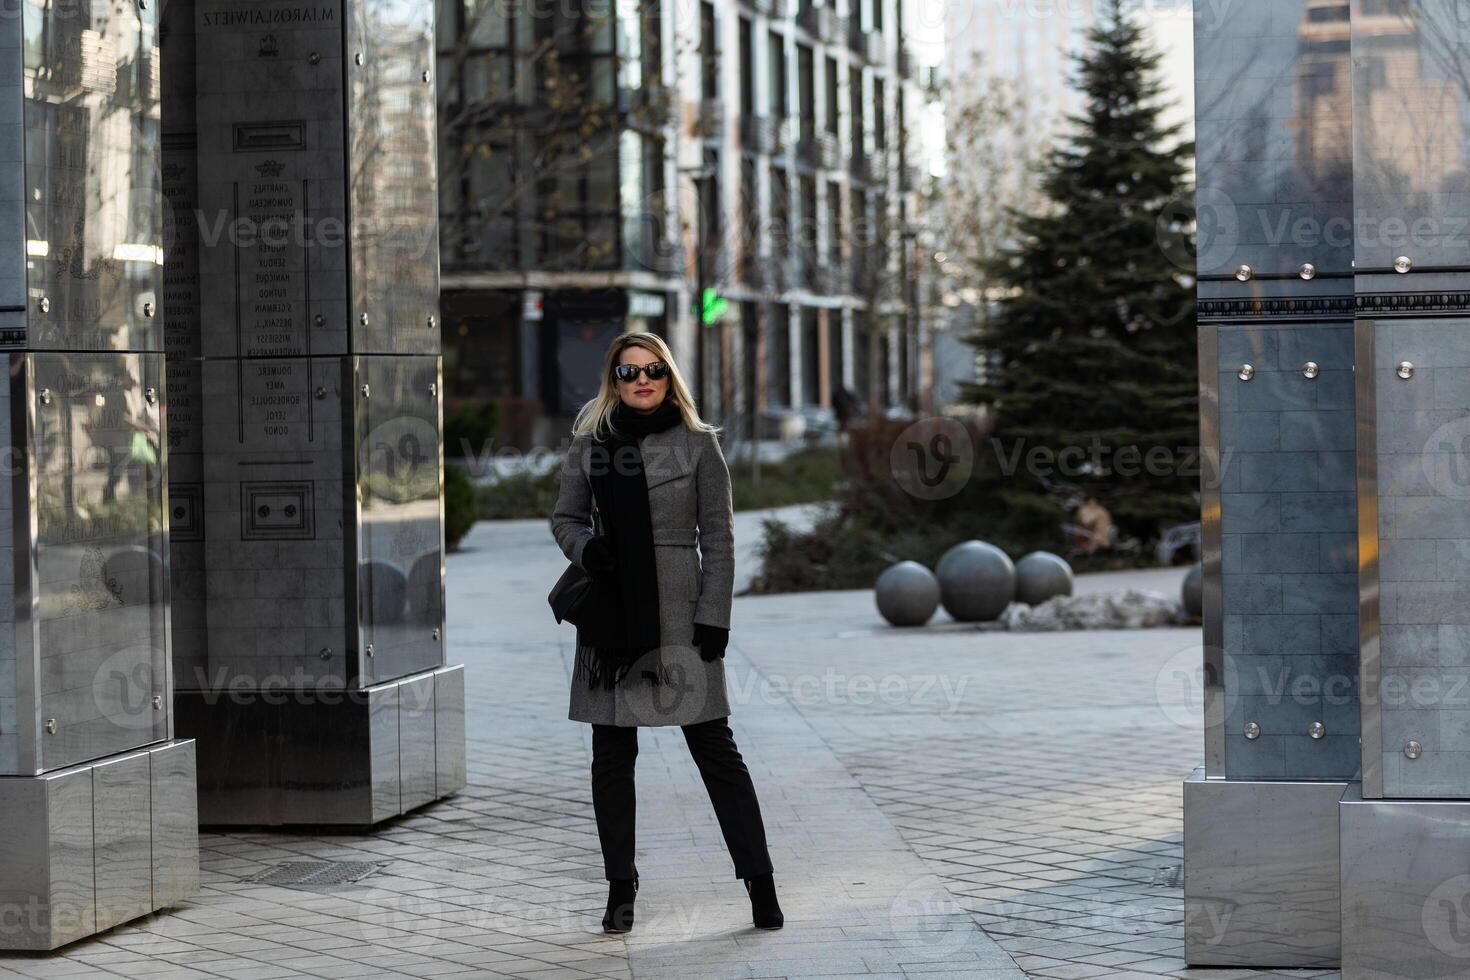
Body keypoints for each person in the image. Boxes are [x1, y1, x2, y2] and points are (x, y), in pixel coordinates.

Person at [551, 331, 784, 934]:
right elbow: (565, 518)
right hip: (613, 616)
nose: (642, 379)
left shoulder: (700, 446)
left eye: (652, 369)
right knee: (612, 758)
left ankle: (760, 882)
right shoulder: (591, 445)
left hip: (682, 615)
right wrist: (587, 551)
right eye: (629, 372)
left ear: (668, 373)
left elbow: (721, 539)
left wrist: (716, 615)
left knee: (716, 751)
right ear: (615, 381)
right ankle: (620, 888)